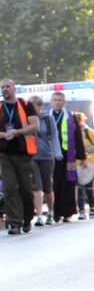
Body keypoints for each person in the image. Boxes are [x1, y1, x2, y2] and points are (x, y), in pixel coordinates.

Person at [0, 79, 39, 234]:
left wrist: (16, 132)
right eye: (2, 87)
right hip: (4, 153)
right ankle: (15, 223)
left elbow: (35, 125)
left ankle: (27, 218)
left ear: (14, 88)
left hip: (23, 153)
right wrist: (4, 135)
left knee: (26, 189)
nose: (5, 89)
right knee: (9, 188)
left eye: (8, 86)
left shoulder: (25, 105)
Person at [48, 91, 86, 222]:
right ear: (51, 102)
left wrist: (82, 158)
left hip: (66, 155)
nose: (57, 102)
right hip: (51, 154)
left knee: (68, 183)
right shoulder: (47, 116)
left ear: (64, 102)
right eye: (55, 100)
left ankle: (67, 212)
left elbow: (78, 138)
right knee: (54, 184)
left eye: (60, 100)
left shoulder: (70, 117)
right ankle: (55, 212)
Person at [28, 95, 61, 226]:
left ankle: (51, 213)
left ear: (40, 106)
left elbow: (54, 136)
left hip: (47, 155)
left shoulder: (48, 118)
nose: (33, 108)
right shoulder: (27, 119)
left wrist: (57, 153)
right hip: (32, 156)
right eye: (31, 105)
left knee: (48, 187)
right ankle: (40, 216)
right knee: (37, 186)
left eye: (36, 105)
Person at [74, 112, 94, 220]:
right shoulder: (72, 133)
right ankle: (81, 210)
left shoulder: (88, 132)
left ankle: (92, 208)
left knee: (89, 188)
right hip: (77, 164)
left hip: (90, 164)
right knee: (79, 188)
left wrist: (88, 150)